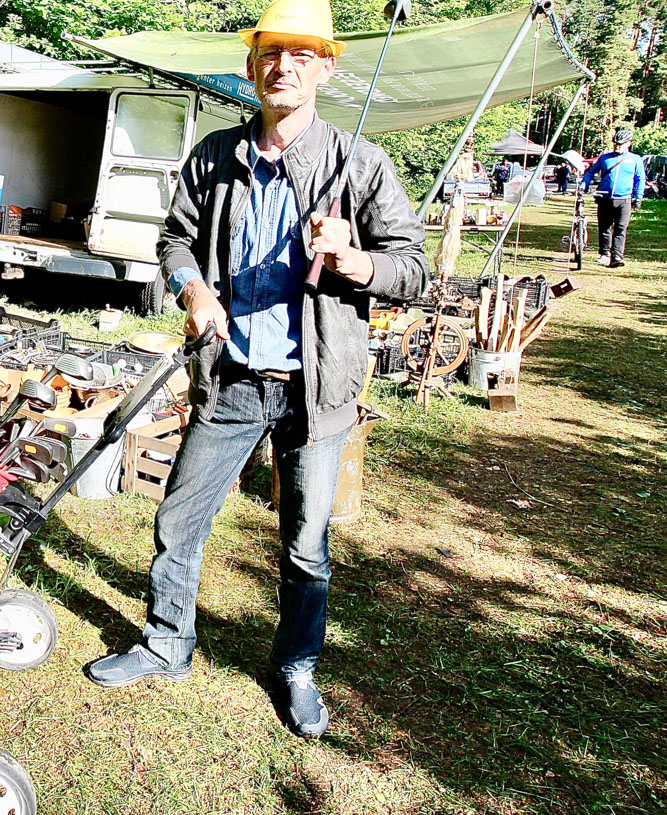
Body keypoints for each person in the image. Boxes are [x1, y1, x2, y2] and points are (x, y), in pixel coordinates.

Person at [84, 0, 429, 739]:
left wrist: (354, 258)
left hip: (316, 390)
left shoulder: (358, 164)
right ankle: (165, 643)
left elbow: (414, 270)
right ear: (250, 66)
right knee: (178, 520)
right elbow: (174, 240)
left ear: (326, 69)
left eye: (303, 55)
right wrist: (194, 288)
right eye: (273, 52)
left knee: (306, 544)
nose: (284, 67)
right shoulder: (216, 156)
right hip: (232, 379)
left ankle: (295, 667)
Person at [581, 129, 645, 268]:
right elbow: (590, 172)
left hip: (624, 199)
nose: (618, 146)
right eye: (616, 144)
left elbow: (640, 179)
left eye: (621, 144)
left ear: (629, 143)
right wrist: (583, 185)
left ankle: (617, 256)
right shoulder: (605, 158)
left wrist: (638, 197)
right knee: (604, 227)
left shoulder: (635, 159)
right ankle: (604, 254)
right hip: (605, 198)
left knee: (621, 228)